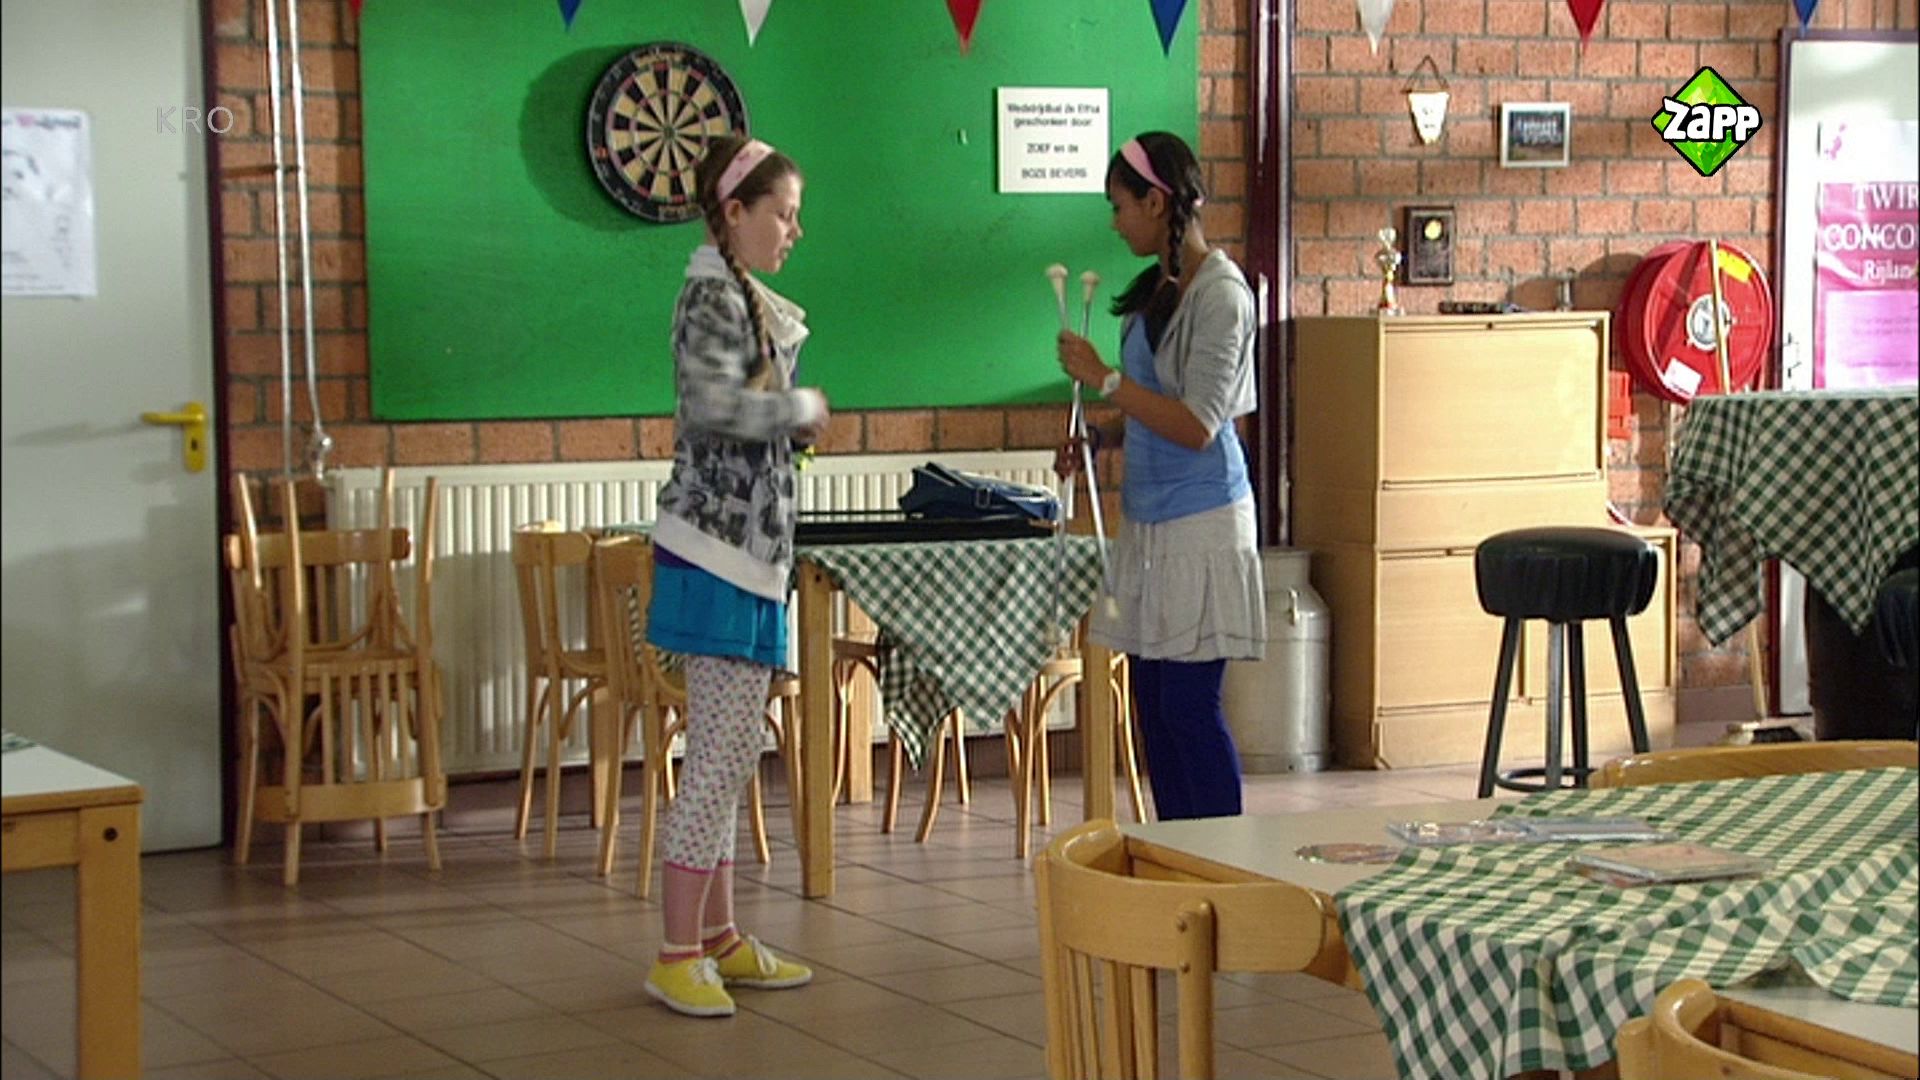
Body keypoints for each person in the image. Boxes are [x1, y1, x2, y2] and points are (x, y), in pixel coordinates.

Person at [643, 134, 827, 1017]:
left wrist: (790, 422)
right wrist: (798, 407)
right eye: (782, 214)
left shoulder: (741, 296)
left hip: (748, 560)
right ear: (734, 212)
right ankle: (676, 952)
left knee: (733, 752)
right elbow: (714, 406)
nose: (794, 230)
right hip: (716, 557)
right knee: (715, 759)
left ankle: (717, 938)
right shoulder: (709, 296)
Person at [1055, 131, 1265, 821]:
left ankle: (1222, 859)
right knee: (1154, 709)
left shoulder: (1222, 295)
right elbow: (1154, 408)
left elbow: (1200, 424)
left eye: (1120, 206)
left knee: (1187, 707)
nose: (1115, 223)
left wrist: (1105, 379)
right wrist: (1101, 436)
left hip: (1203, 526)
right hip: (1149, 525)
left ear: (1156, 202)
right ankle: (1177, 853)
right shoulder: (1158, 287)